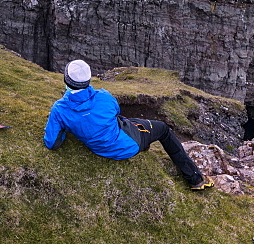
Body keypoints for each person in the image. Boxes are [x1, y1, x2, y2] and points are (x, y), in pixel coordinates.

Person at [43, 59, 214, 190]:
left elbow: (52, 143)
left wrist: (66, 129)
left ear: (66, 80)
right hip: (128, 144)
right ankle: (196, 180)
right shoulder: (104, 96)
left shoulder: (60, 109)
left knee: (127, 123)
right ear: (88, 79)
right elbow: (116, 111)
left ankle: (145, 145)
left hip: (100, 148)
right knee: (163, 129)